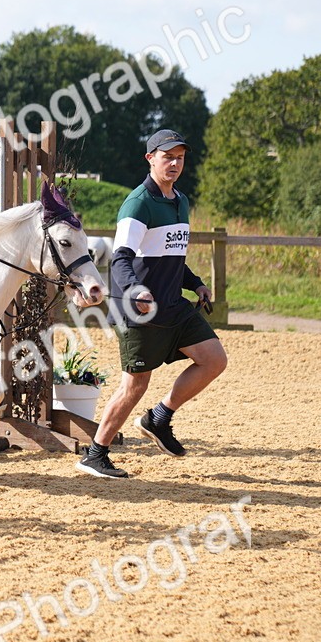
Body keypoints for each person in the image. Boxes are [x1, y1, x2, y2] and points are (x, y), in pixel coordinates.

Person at [76, 129, 227, 479]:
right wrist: (136, 291)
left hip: (173, 307)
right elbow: (121, 259)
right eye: (167, 156)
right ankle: (95, 454)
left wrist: (196, 283)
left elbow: (171, 256)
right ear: (150, 158)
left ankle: (159, 417)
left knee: (214, 359)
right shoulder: (138, 202)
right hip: (138, 311)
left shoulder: (181, 201)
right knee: (135, 385)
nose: (174, 163)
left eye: (180, 157)